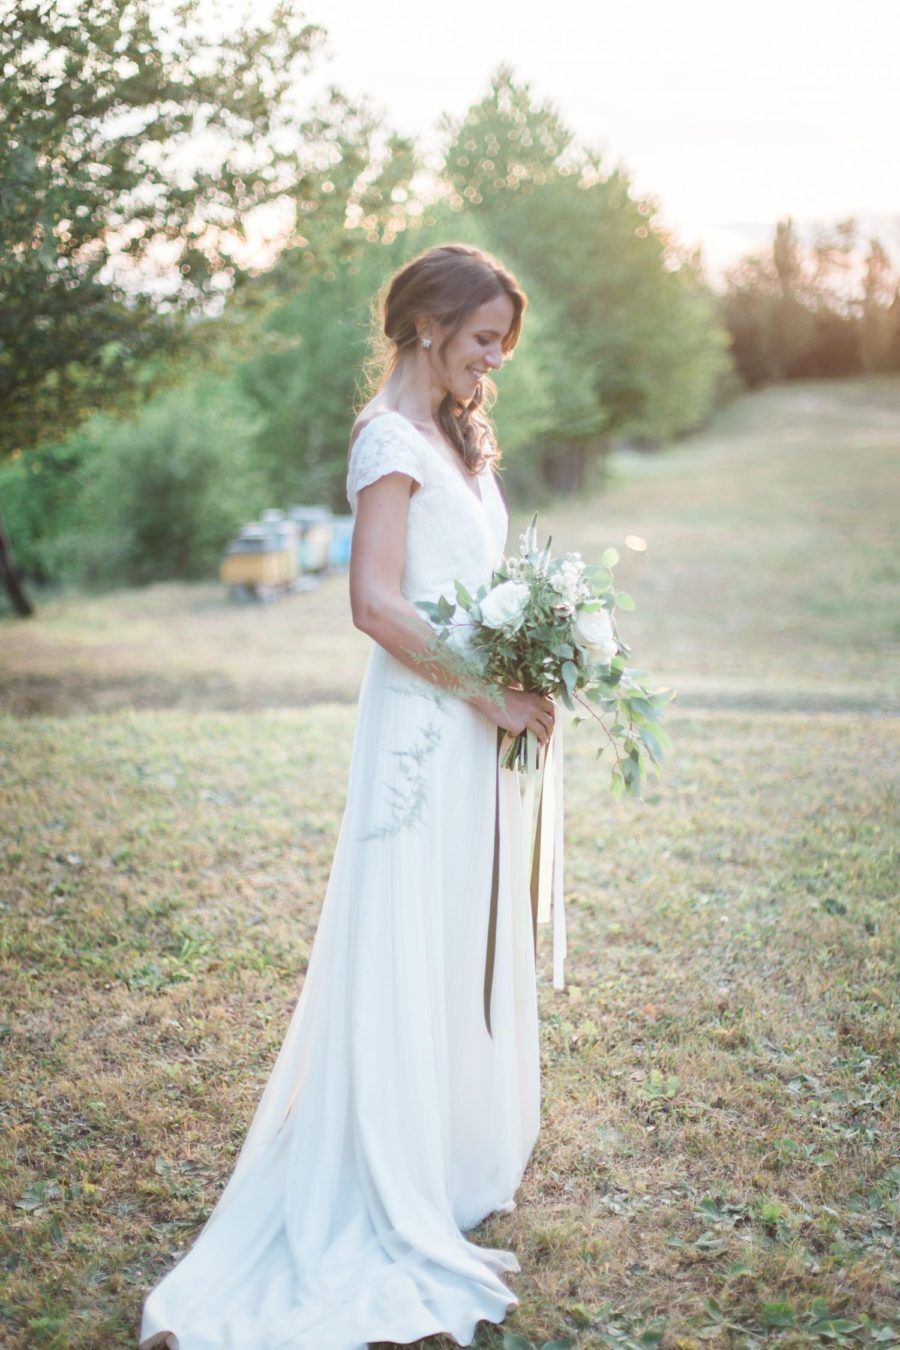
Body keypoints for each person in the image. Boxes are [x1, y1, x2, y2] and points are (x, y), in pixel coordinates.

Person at [139, 242, 557, 1350]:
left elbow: (467, 584)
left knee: (458, 919)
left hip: (468, 717)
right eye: (480, 341)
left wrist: (531, 659)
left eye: (501, 347)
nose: (490, 364)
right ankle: (384, 1164)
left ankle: (445, 1147)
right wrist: (487, 691)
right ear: (427, 327)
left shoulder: (460, 436)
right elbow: (375, 604)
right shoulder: (389, 441)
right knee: (405, 924)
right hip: (424, 724)